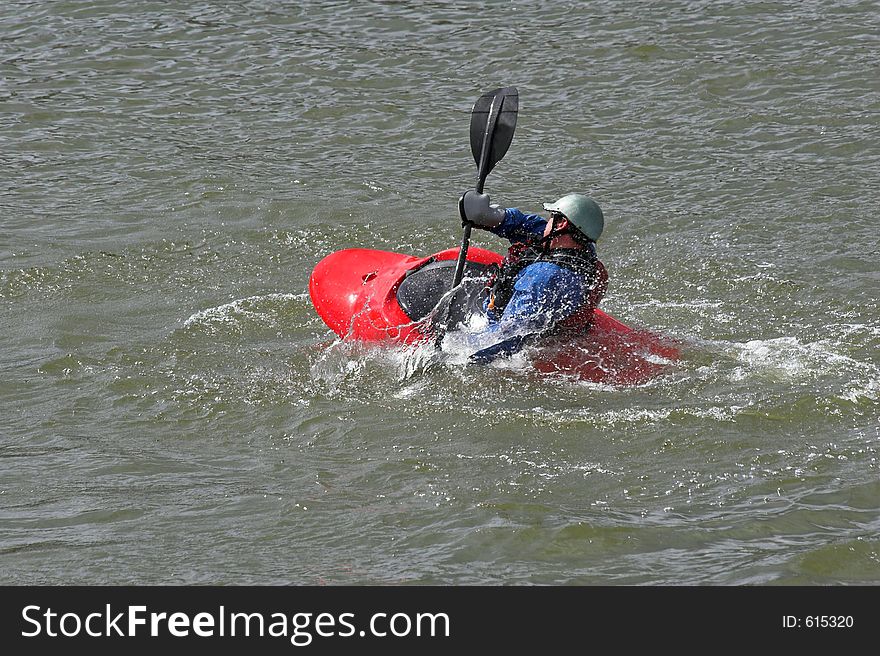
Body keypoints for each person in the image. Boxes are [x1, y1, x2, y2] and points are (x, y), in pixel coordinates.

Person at [457, 190, 608, 363]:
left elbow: (506, 335)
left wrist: (460, 353)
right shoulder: (582, 249)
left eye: (552, 216)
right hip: (560, 323)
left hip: (508, 334)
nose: (548, 221)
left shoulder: (544, 278)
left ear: (562, 224)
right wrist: (491, 217)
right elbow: (530, 227)